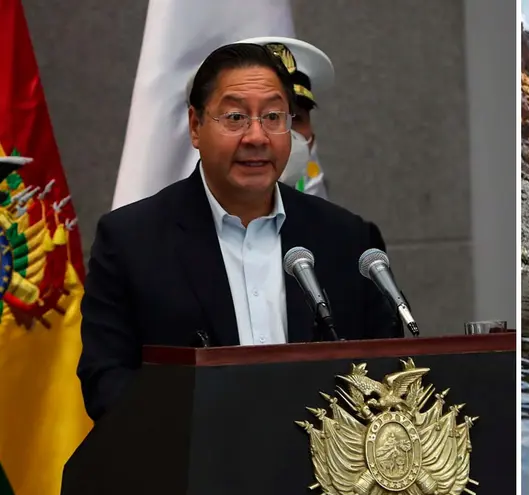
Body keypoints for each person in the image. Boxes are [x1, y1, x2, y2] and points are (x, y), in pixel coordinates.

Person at [77, 43, 402, 422]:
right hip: (195, 470)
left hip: (326, 474)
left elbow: (389, 370)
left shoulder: (347, 239)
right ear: (195, 126)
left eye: (273, 117)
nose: (257, 136)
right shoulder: (132, 240)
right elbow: (106, 383)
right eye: (235, 117)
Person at [240, 36, 333, 201]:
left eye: (296, 118)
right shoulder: (186, 220)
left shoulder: (333, 224)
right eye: (271, 117)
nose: (284, 135)